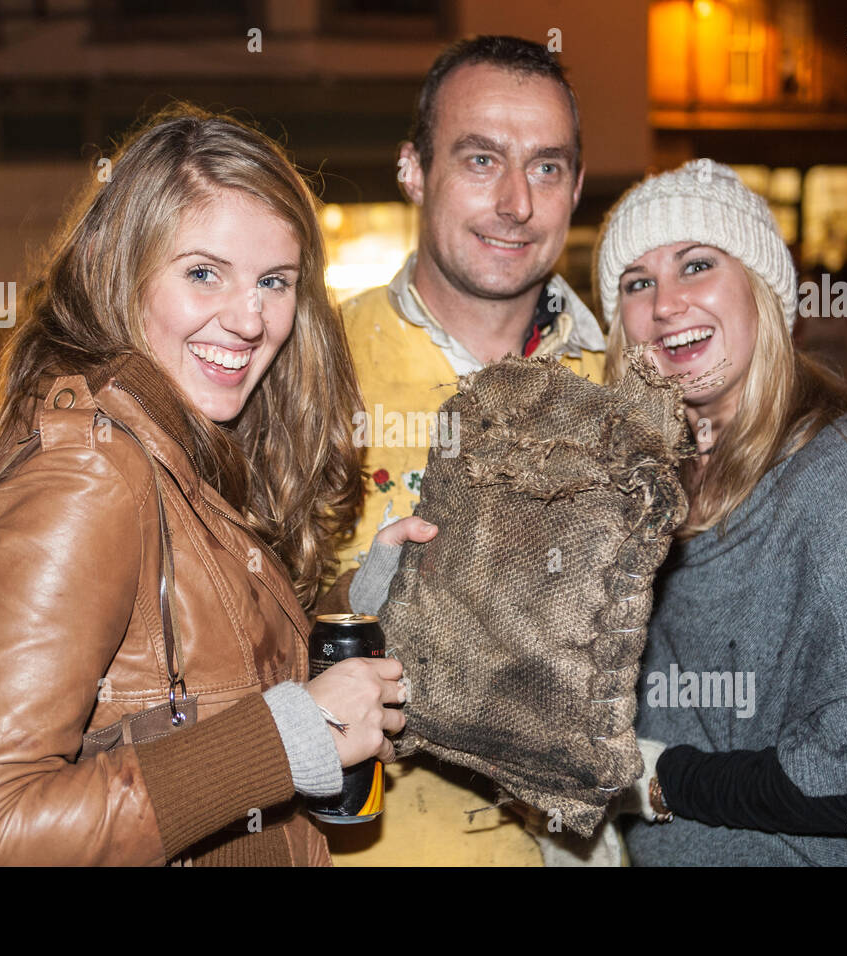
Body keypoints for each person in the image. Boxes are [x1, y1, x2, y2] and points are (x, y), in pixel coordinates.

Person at [0, 105, 406, 866]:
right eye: (203, 272)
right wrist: (289, 736)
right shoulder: (91, 474)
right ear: (123, 269)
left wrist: (356, 604)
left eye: (274, 281)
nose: (249, 319)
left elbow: (194, 679)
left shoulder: (183, 440)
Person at [593, 160, 847, 865]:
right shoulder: (641, 487)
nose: (665, 302)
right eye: (637, 283)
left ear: (762, 291)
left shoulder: (835, 471)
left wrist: (654, 776)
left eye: (696, 264)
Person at [326, 34, 612, 866]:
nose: (517, 202)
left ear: (577, 188)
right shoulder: (312, 365)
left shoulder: (625, 382)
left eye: (548, 167)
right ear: (413, 170)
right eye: (481, 159)